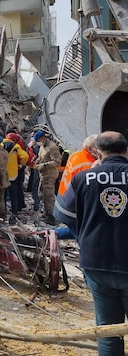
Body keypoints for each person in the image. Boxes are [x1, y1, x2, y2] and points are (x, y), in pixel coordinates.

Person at [54, 131, 128, 355]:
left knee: (107, 330)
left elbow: (64, 215)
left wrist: (86, 233)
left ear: (98, 152)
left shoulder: (84, 177)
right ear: (126, 151)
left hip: (96, 261)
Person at [54, 134, 98, 240]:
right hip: (72, 210)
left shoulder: (76, 155)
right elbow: (88, 193)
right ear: (92, 148)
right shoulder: (88, 165)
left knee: (76, 229)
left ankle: (52, 234)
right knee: (85, 238)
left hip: (62, 202)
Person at [33, 130, 61, 225]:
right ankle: (46, 212)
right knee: (42, 194)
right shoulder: (42, 147)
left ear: (44, 138)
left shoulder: (52, 147)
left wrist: (44, 165)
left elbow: (57, 162)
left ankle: (51, 216)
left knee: (49, 196)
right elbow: (40, 157)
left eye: (39, 140)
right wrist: (36, 161)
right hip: (43, 174)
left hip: (50, 174)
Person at [3, 133, 29, 223]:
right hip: (13, 174)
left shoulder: (0, 144)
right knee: (13, 195)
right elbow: (25, 156)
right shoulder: (16, 146)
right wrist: (21, 164)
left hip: (2, 174)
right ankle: (14, 212)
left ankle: (3, 212)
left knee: (3, 195)